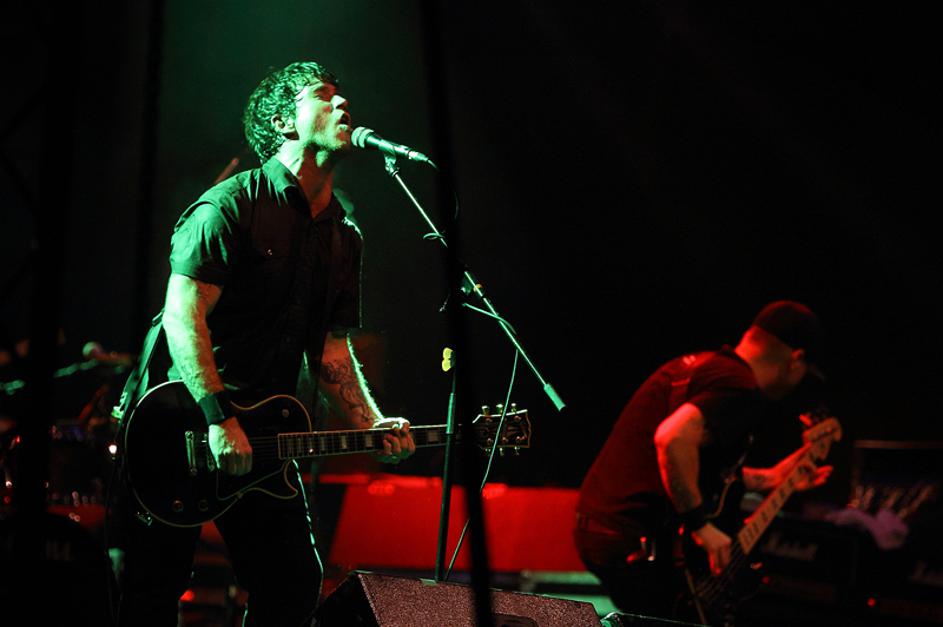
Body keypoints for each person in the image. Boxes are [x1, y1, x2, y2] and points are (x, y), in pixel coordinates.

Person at [115, 60, 416, 627]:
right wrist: (217, 416)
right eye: (323, 96)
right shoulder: (229, 205)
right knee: (152, 592)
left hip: (267, 432)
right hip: (177, 423)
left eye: (342, 95)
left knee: (292, 585)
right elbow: (183, 315)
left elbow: (330, 351)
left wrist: (370, 422)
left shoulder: (343, 237)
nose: (342, 104)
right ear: (283, 121)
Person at [574, 300, 833, 620]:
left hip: (604, 528)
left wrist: (771, 477)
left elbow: (689, 461)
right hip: (635, 540)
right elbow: (672, 438)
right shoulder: (739, 388)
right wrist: (701, 526)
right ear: (796, 360)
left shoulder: (705, 366)